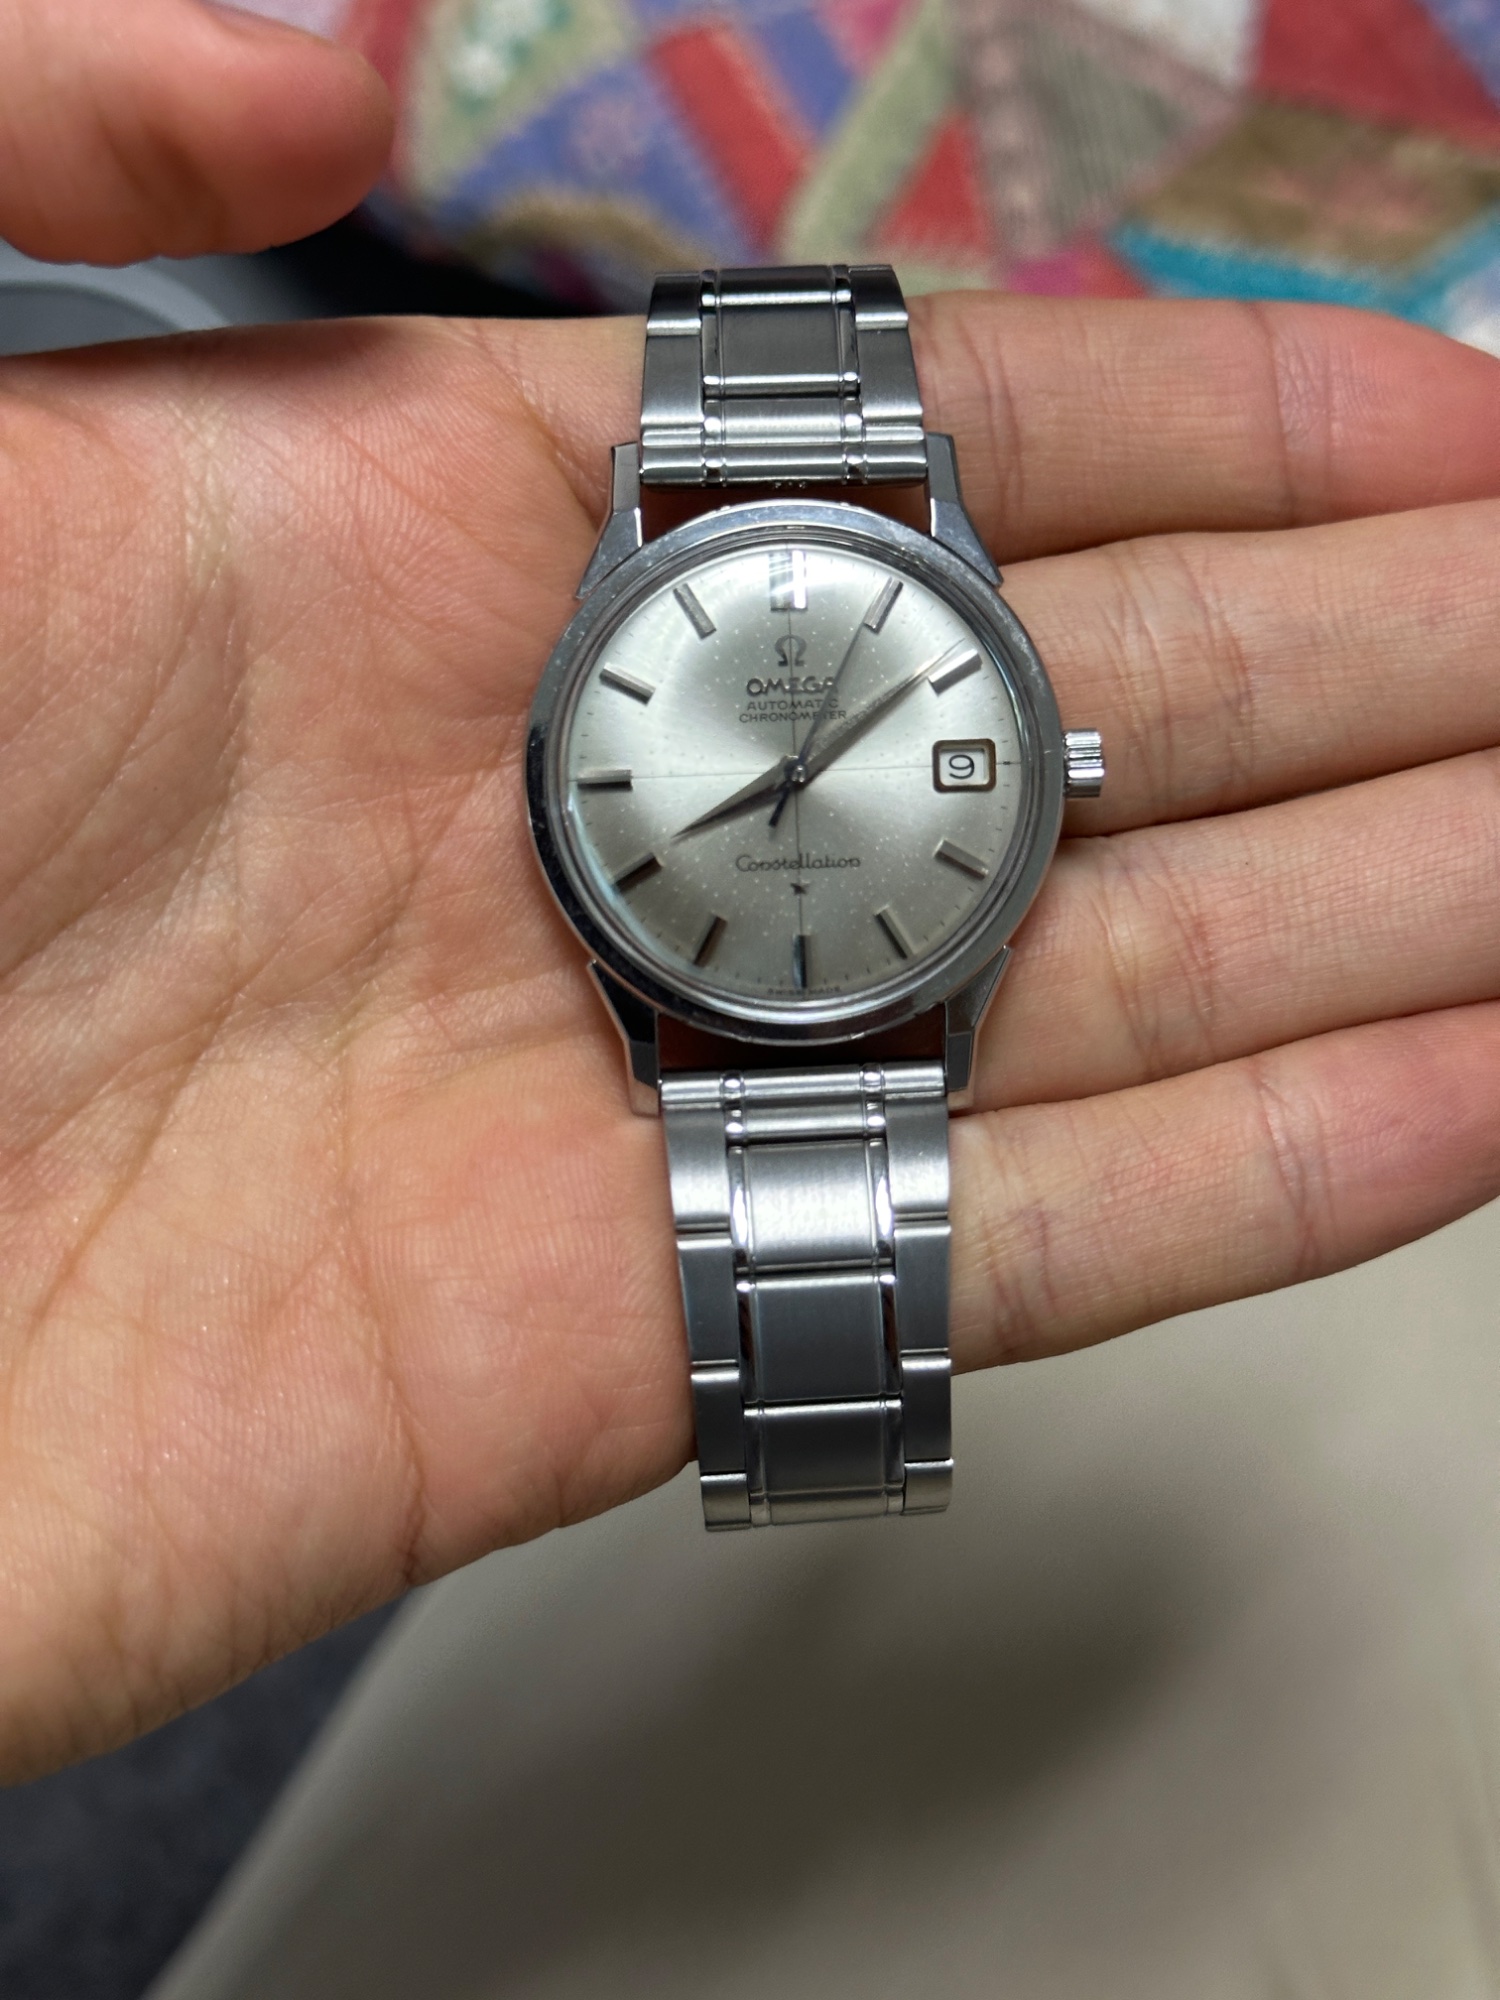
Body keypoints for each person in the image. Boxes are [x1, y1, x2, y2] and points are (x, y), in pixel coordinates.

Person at [0, 0, 1497, 1788]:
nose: (794, 787)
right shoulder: (661, 704)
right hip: (730, 967)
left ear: (1052, 766)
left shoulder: (854, 731)